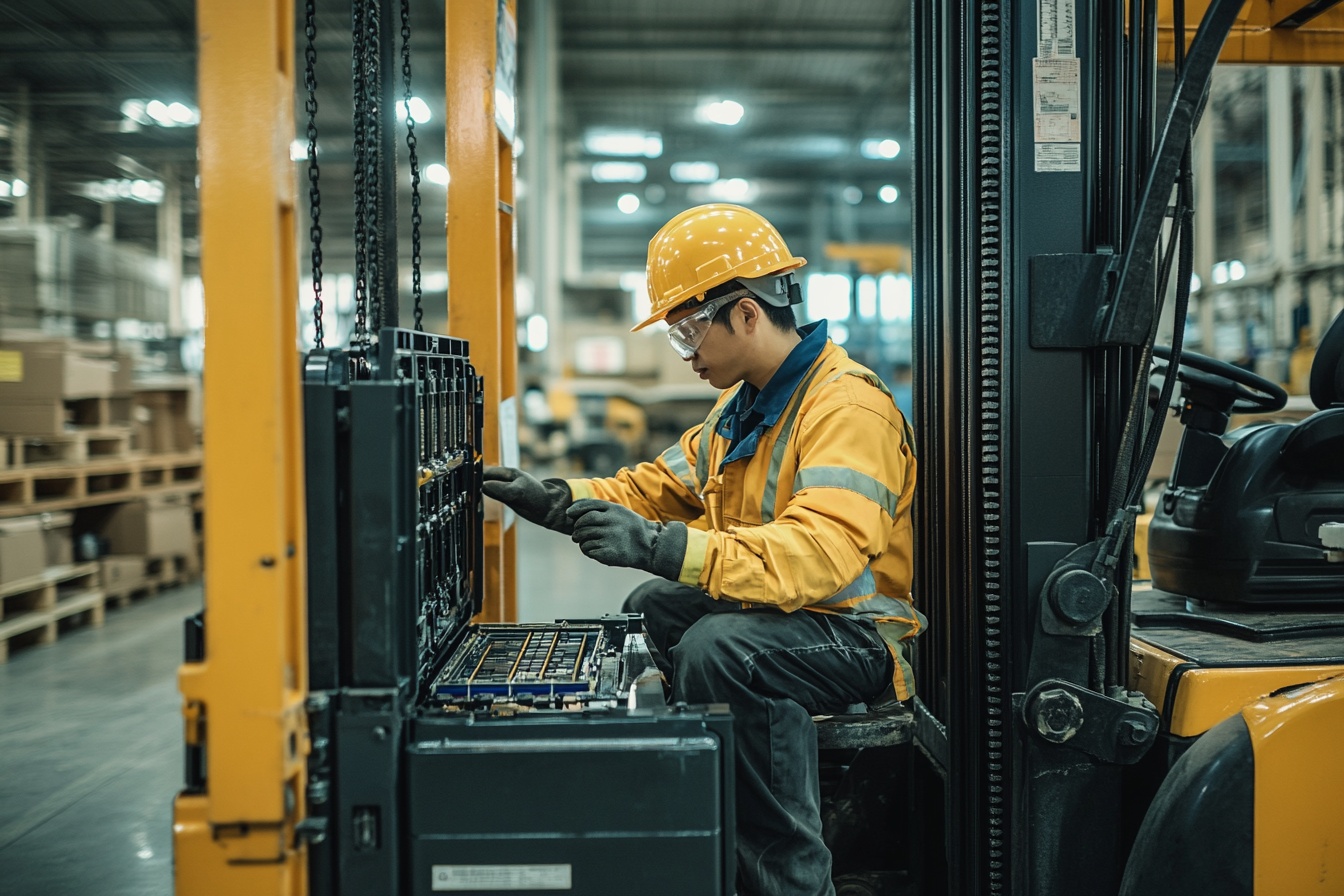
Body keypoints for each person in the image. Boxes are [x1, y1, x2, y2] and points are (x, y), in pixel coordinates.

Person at [483, 203, 924, 896]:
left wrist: (662, 546)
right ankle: (704, 801)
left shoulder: (846, 410)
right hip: (797, 614)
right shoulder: (742, 408)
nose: (685, 351)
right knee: (654, 607)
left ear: (747, 314)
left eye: (689, 329)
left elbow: (821, 556)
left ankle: (788, 878)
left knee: (723, 651)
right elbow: (655, 488)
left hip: (859, 632)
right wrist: (558, 501)